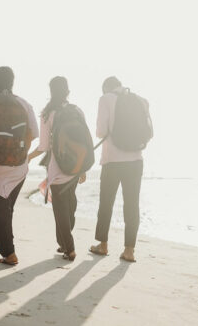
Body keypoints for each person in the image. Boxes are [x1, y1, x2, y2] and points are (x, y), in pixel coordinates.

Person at [0, 66, 39, 266]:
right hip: (19, 166)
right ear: (12, 83)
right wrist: (20, 153)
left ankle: (9, 253)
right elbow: (33, 134)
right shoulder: (24, 104)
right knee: (6, 208)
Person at [90, 76, 152, 262]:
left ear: (106, 88)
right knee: (132, 205)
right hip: (135, 160)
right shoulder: (141, 100)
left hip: (112, 160)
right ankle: (129, 250)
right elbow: (148, 131)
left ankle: (103, 244)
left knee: (106, 204)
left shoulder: (106, 99)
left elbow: (101, 131)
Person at [28, 77, 88, 261]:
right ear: (67, 91)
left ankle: (68, 247)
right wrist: (83, 168)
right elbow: (84, 141)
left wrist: (28, 157)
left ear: (51, 91)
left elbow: (44, 146)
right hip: (76, 166)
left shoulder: (48, 113)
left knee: (60, 208)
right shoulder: (77, 111)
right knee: (70, 204)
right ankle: (63, 242)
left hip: (57, 167)